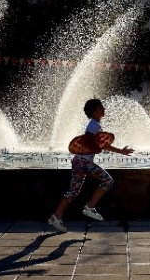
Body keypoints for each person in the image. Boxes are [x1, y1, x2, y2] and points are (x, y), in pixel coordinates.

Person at [48, 98, 134, 232]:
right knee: (107, 180)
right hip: (84, 162)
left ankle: (56, 216)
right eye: (100, 108)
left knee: (74, 190)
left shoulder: (94, 124)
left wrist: (120, 151)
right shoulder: (94, 126)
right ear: (94, 112)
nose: (103, 109)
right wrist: (94, 146)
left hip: (78, 160)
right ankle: (90, 206)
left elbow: (102, 145)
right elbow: (88, 140)